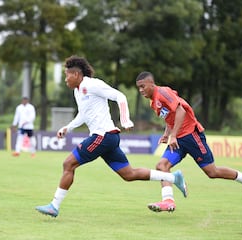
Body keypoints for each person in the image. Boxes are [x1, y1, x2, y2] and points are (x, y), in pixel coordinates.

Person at [35, 56, 187, 218]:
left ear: (77, 75)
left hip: (103, 136)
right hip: (108, 139)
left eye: (67, 75)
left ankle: (54, 206)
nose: (66, 79)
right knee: (129, 174)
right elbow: (83, 114)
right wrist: (68, 127)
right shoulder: (78, 91)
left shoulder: (93, 84)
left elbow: (120, 97)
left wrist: (125, 119)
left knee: (68, 164)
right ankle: (173, 177)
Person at [135, 71, 242, 213]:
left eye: (143, 86)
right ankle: (168, 201)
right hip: (178, 140)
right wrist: (167, 134)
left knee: (212, 172)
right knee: (162, 165)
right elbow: (170, 117)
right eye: (139, 87)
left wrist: (173, 135)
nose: (141, 90)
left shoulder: (162, 92)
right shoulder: (153, 102)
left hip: (191, 136)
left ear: (151, 83)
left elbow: (180, 111)